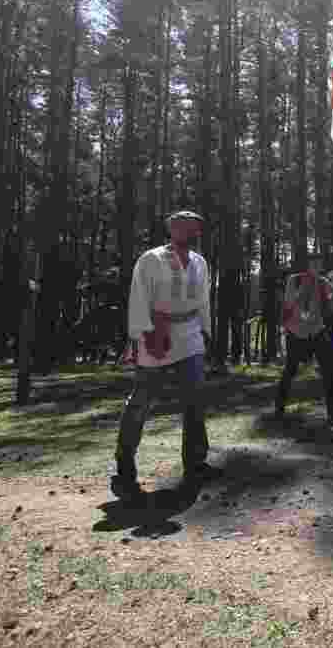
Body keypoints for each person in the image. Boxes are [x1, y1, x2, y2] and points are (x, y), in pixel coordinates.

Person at [111, 210, 219, 502]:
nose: (190, 231)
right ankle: (124, 463)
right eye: (183, 226)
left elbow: (204, 299)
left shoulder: (199, 262)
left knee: (195, 399)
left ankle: (196, 463)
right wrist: (142, 334)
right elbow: (138, 296)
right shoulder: (151, 259)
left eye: (195, 227)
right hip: (156, 332)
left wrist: (206, 330)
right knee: (142, 400)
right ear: (171, 229)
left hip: (190, 335)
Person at [274, 258, 333, 426]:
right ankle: (279, 408)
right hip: (296, 331)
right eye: (314, 265)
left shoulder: (322, 282)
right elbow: (289, 303)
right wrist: (305, 288)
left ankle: (332, 410)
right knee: (290, 370)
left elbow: (332, 300)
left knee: (327, 370)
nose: (317, 268)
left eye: (319, 266)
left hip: (316, 331)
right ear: (307, 266)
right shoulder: (294, 280)